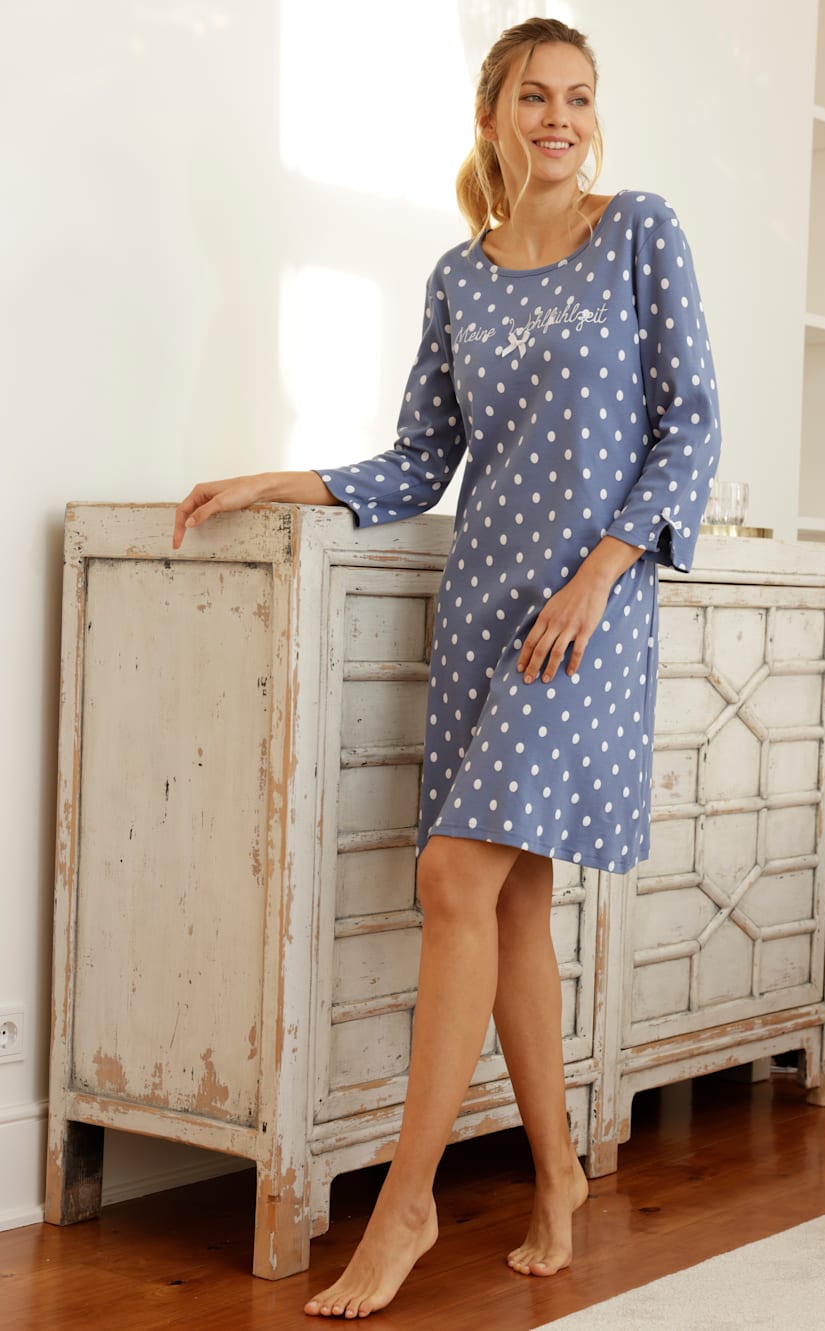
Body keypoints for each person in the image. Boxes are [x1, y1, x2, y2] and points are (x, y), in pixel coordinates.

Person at [173, 16, 720, 1319]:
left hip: (588, 612)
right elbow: (422, 458)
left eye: (578, 97)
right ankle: (557, 1176)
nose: (559, 118)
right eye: (534, 97)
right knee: (512, 904)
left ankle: (406, 1202)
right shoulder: (458, 277)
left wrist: (603, 571)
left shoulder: (639, 231)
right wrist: (274, 479)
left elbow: (691, 424)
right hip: (484, 609)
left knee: (451, 876)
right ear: (491, 116)